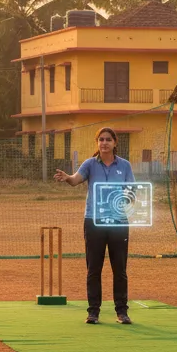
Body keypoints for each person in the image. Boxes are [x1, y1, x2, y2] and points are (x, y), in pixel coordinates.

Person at [54, 127, 132, 325]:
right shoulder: (90, 164)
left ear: (115, 142)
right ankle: (93, 312)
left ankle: (122, 312)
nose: (104, 143)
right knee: (93, 269)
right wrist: (67, 178)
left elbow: (132, 191)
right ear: (97, 143)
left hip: (118, 222)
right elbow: (76, 180)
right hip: (94, 221)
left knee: (120, 269)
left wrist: (125, 201)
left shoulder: (125, 165)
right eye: (101, 140)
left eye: (108, 140)